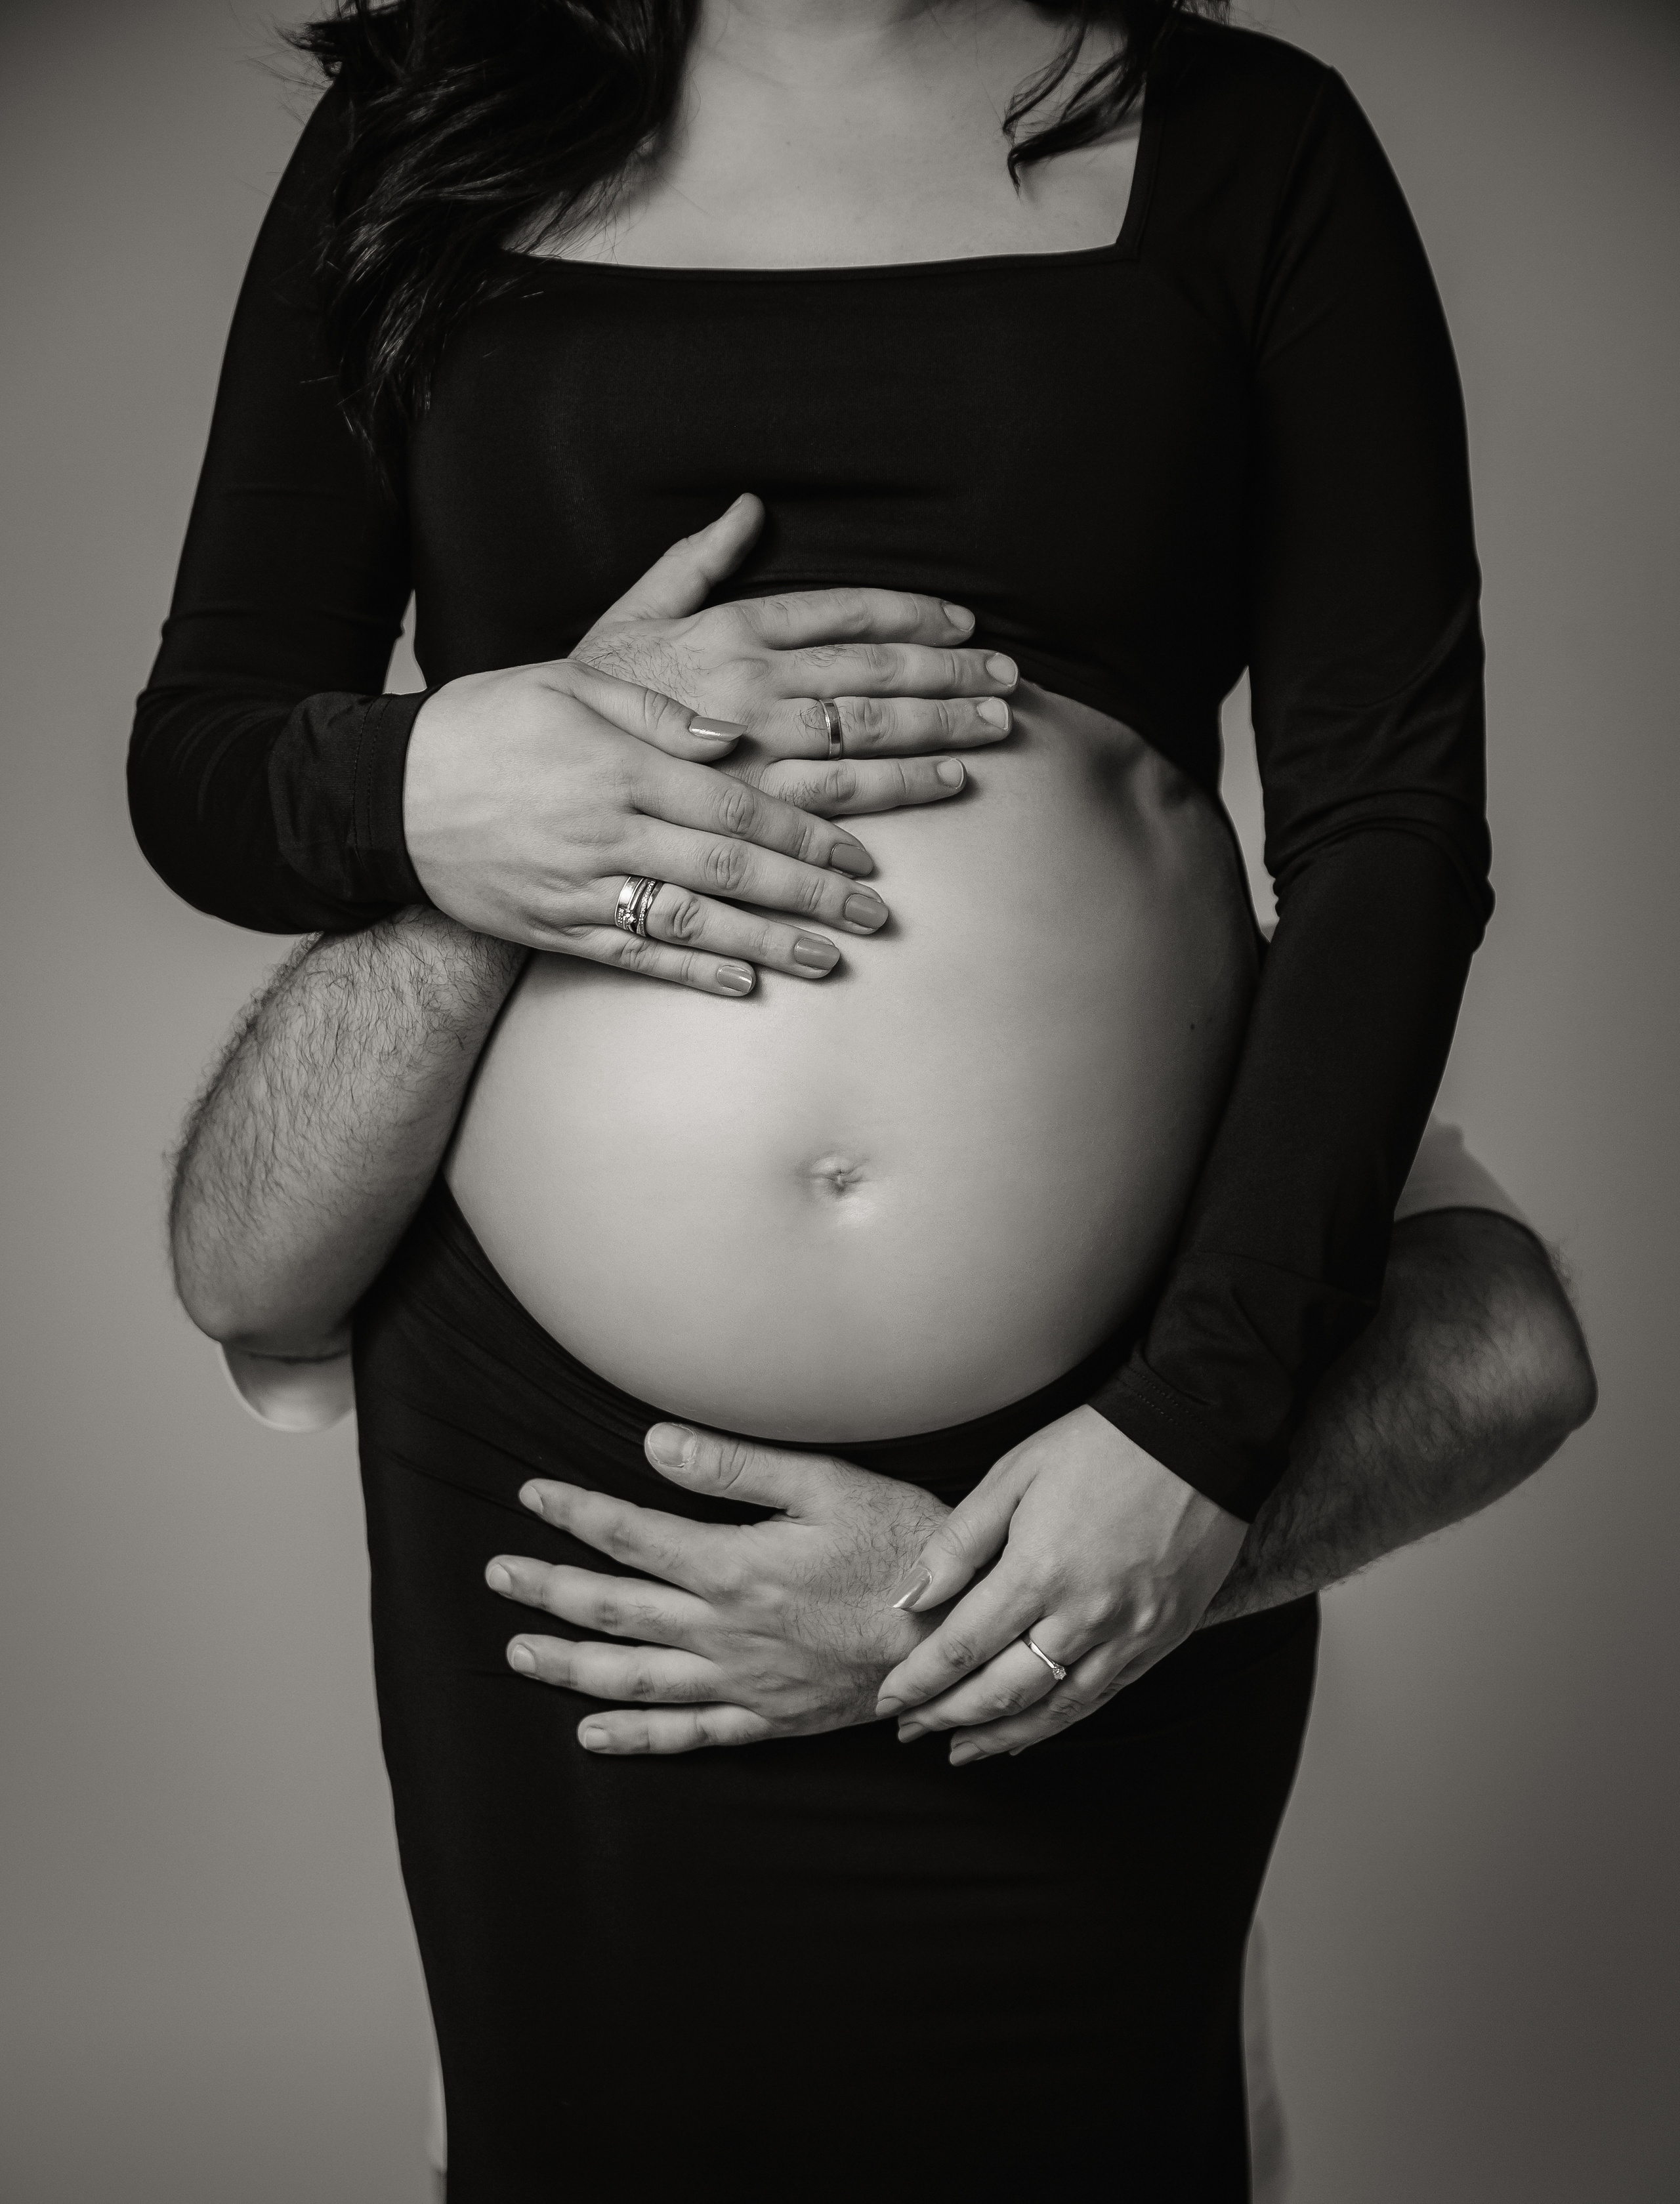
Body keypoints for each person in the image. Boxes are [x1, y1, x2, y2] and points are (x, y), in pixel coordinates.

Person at [133, 0, 1536, 2191]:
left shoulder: (1248, 144)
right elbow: (208, 751)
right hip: (551, 1416)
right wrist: (430, 768)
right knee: (599, 2139)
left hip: (1107, 1415)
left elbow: (1392, 821)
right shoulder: (433, 123)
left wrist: (1196, 1432)